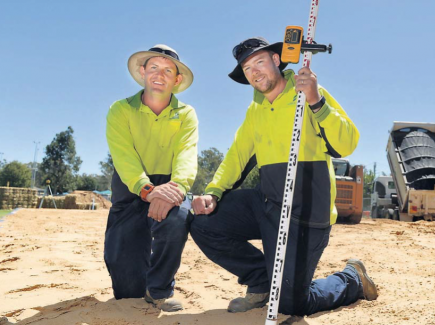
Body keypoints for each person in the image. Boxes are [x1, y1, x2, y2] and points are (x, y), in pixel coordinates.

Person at [189, 37, 378, 316]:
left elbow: (347, 143)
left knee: (290, 304)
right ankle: (261, 281)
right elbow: (237, 157)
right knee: (203, 221)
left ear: (276, 60)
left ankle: (350, 279)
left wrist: (316, 100)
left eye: (260, 62)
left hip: (308, 213)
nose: (255, 72)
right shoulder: (256, 111)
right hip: (268, 205)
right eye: (247, 68)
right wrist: (213, 191)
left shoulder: (308, 94)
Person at [104, 44, 198, 311]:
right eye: (154, 67)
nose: (160, 74)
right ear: (143, 72)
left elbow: (186, 156)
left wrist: (177, 188)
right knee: (127, 290)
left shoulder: (187, 114)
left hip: (169, 186)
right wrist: (147, 190)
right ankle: (137, 283)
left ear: (177, 79)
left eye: (168, 70)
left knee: (179, 217)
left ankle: (159, 290)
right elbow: (124, 157)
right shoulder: (120, 110)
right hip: (130, 187)